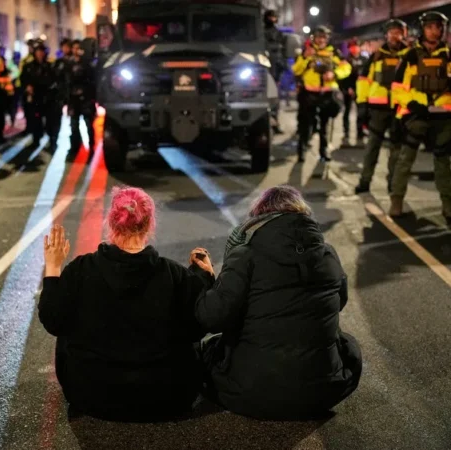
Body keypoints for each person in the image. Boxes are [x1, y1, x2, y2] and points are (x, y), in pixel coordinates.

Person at [38, 186, 215, 421]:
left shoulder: (81, 270)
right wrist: (204, 279)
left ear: (111, 222)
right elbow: (198, 328)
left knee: (66, 323)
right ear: (149, 223)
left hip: (91, 395)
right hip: (168, 396)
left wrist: (53, 267)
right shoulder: (174, 274)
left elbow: (53, 321)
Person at [195, 186, 361, 420]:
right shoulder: (327, 253)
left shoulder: (245, 255)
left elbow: (212, 317)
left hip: (251, 395)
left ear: (259, 218)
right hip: (323, 394)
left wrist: (205, 279)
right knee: (346, 343)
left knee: (211, 348)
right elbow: (338, 302)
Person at [389, 11, 451, 222]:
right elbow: (397, 87)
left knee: (442, 163)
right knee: (405, 160)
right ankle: (396, 201)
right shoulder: (410, 56)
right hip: (416, 116)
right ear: (423, 29)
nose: (434, 31)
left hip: (443, 117)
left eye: (438, 27)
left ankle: (448, 205)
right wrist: (411, 103)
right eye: (430, 27)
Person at [354, 19, 410, 194]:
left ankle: (393, 183)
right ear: (386, 34)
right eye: (391, 32)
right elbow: (363, 81)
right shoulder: (376, 55)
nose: (395, 35)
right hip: (377, 108)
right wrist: (362, 104)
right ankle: (365, 180)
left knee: (396, 149)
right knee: (372, 147)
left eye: (398, 32)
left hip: (399, 109)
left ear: (404, 34)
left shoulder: (410, 55)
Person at [292, 26, 352, 163]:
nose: (321, 40)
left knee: (325, 125)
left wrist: (335, 74)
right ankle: (301, 150)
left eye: (324, 37)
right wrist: (304, 58)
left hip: (327, 94)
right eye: (318, 37)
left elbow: (346, 67)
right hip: (308, 94)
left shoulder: (333, 53)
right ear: (313, 38)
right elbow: (296, 70)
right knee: (305, 124)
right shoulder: (306, 52)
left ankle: (323, 151)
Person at [20, 40, 58, 148]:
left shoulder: (50, 65)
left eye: (41, 51)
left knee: (50, 121)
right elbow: (23, 79)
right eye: (37, 51)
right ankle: (36, 140)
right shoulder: (28, 66)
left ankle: (52, 141)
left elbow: (55, 80)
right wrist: (27, 87)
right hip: (35, 98)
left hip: (48, 97)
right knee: (36, 120)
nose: (39, 54)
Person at [66, 39, 97, 162]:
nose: (75, 51)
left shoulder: (87, 64)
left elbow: (92, 81)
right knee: (74, 125)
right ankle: (75, 148)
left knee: (89, 125)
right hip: (74, 100)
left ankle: (91, 149)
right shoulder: (69, 64)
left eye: (78, 48)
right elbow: (66, 82)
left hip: (86, 99)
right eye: (73, 48)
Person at [340, 39, 368, 147]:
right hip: (348, 90)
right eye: (352, 46)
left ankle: (360, 132)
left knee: (361, 112)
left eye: (356, 46)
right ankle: (346, 132)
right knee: (346, 111)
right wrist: (347, 88)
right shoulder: (345, 60)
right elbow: (342, 76)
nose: (355, 48)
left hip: (361, 90)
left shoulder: (365, 59)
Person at [263, 10, 285, 135]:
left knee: (275, 99)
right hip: (262, 71)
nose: (273, 19)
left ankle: (274, 121)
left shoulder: (279, 34)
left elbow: (282, 54)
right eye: (271, 17)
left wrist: (282, 68)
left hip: (275, 71)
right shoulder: (260, 33)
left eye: (274, 17)